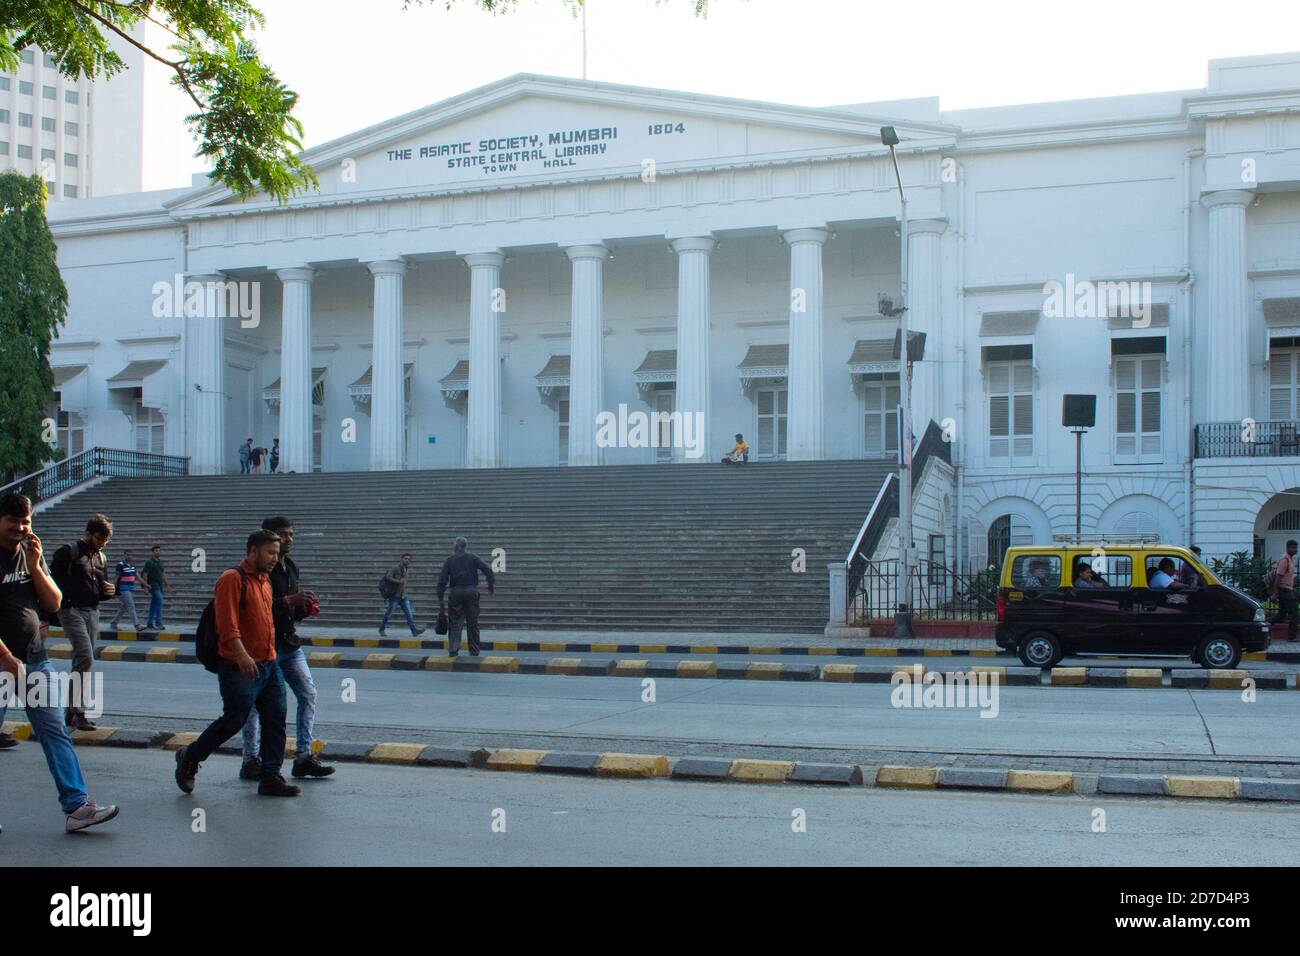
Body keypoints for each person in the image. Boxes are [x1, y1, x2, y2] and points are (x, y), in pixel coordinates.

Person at [0, 492, 119, 832]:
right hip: (3, 663)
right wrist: (7, 659)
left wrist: (36, 565)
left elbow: (54, 602)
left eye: (26, 522)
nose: (20, 528)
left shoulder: (28, 553)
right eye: (13, 521)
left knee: (55, 733)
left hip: (35, 660)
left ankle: (77, 807)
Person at [173, 529, 299, 797]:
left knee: (276, 719)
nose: (275, 558)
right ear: (252, 551)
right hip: (239, 667)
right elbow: (226, 624)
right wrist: (242, 655)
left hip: (269, 664)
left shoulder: (266, 581)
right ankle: (190, 757)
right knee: (233, 720)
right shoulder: (232, 579)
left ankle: (271, 777)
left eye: (277, 553)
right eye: (270, 552)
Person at [239, 516, 334, 781]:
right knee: (256, 706)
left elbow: (287, 611)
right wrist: (287, 601)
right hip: (263, 647)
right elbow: (255, 607)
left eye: (291, 534)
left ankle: (303, 756)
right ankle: (250, 759)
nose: (289, 539)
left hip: (289, 644)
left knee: (308, 694)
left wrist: (301, 608)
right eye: (283, 535)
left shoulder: (290, 567)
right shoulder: (258, 571)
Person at [50, 514, 115, 732]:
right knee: (85, 656)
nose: (101, 544)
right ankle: (78, 712)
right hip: (70, 610)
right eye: (98, 539)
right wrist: (46, 617)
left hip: (92, 611)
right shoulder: (68, 552)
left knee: (84, 661)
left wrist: (109, 592)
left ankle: (72, 712)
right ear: (87, 534)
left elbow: (100, 588)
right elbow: (50, 584)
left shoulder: (101, 558)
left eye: (105, 541)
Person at [437, 537, 496, 658]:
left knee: (454, 622)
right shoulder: (473, 557)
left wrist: (441, 597)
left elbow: (442, 580)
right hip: (471, 591)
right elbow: (488, 569)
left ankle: (453, 649)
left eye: (454, 544)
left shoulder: (450, 560)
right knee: (472, 622)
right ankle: (474, 651)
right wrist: (491, 585)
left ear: (458, 546)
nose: (452, 545)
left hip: (456, 592)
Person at [379, 552, 426, 638]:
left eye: (409, 559)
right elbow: (388, 577)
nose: (407, 560)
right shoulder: (395, 568)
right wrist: (398, 581)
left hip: (403, 596)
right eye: (405, 558)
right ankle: (381, 629)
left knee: (409, 614)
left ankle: (414, 631)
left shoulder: (406, 569)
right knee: (389, 614)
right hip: (394, 596)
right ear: (401, 559)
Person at [1271, 539, 1298, 642]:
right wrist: (1275, 593)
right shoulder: (1284, 560)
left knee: (1281, 614)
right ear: (1287, 548)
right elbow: (1278, 577)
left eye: (1296, 548)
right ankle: (1292, 637)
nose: (1295, 550)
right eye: (1293, 548)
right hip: (1284, 590)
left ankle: (1264, 626)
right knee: (1294, 614)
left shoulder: (1290, 559)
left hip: (1288, 589)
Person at [141, 544, 171, 631]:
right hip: (152, 585)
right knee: (160, 600)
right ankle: (158, 623)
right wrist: (146, 587)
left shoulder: (160, 562)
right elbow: (145, 574)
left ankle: (150, 623)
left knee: (154, 604)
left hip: (159, 585)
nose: (158, 552)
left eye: (159, 550)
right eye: (156, 551)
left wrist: (168, 585)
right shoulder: (149, 562)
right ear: (152, 552)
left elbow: (163, 574)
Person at [109, 549, 141, 632]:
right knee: (131, 605)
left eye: (131, 555)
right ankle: (137, 625)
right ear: (124, 555)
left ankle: (113, 623)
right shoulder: (120, 565)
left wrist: (145, 585)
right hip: (123, 589)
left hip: (130, 589)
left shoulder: (133, 566)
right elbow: (116, 578)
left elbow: (138, 577)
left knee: (124, 606)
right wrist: (113, 590)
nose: (129, 556)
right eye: (127, 555)